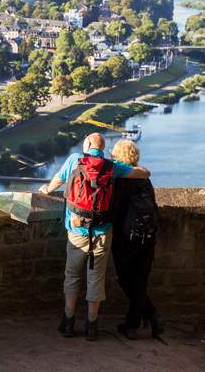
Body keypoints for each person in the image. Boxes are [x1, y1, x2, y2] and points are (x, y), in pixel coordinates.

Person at [39, 133, 151, 341]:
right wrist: (122, 165)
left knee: (72, 276)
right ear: (102, 147)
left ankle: (68, 321)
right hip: (101, 231)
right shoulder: (112, 166)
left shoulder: (75, 159)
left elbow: (58, 179)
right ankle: (92, 325)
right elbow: (144, 173)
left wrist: (46, 189)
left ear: (88, 144)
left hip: (76, 230)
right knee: (96, 278)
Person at [109, 139, 163, 340]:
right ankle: (137, 323)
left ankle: (148, 317)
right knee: (140, 281)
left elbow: (114, 211)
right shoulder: (144, 179)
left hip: (125, 239)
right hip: (147, 237)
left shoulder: (119, 180)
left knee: (125, 280)